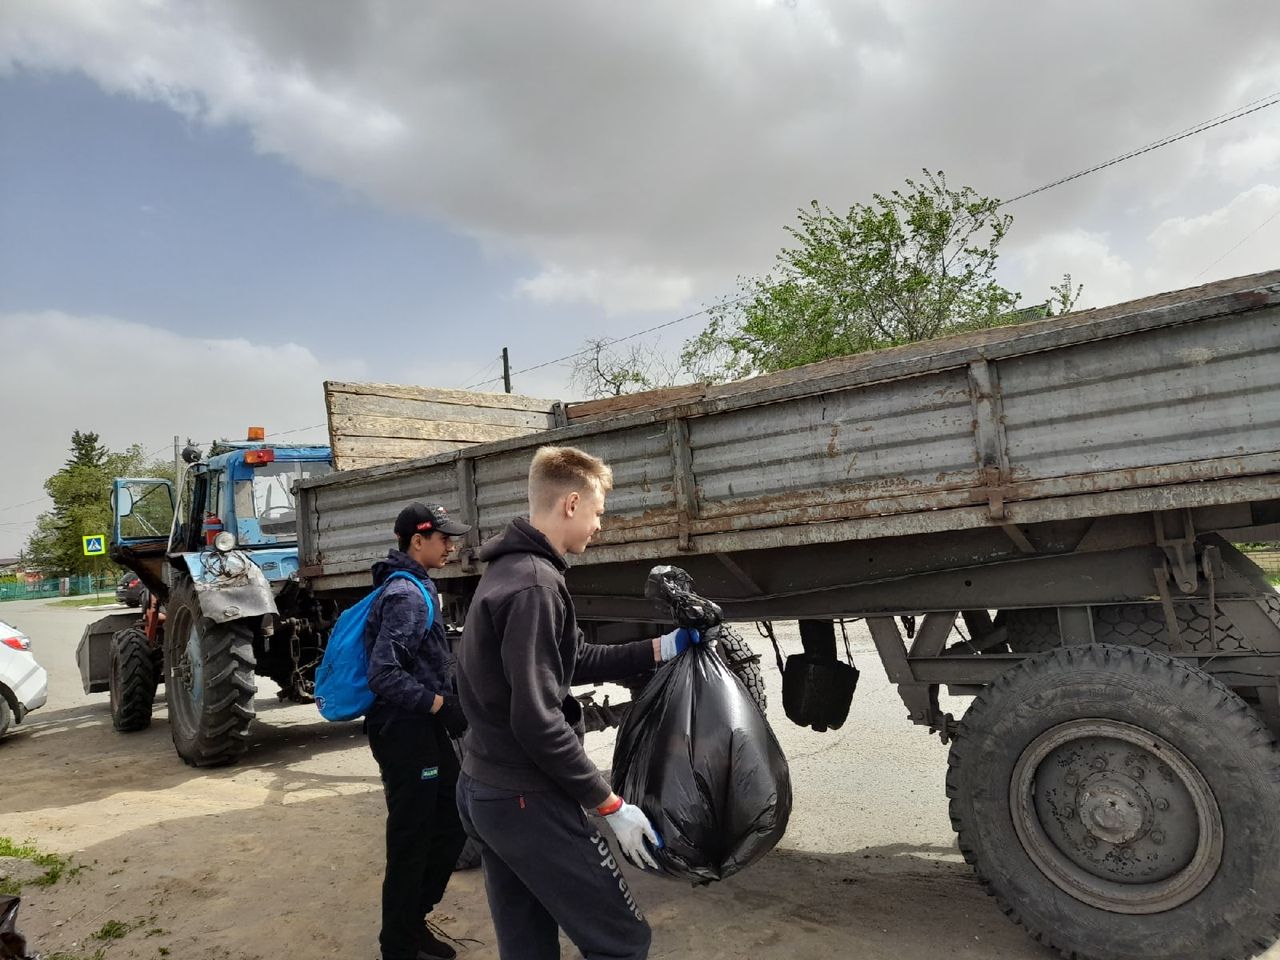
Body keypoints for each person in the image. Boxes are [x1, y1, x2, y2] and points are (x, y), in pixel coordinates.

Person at [455, 445, 701, 960]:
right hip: (525, 799)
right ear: (571, 503)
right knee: (622, 940)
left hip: (488, 789)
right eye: (597, 512)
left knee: (527, 943)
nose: (598, 525)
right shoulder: (534, 586)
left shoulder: (510, 571)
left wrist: (663, 647)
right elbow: (537, 720)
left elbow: (572, 659)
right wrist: (609, 804)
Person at [365, 501, 472, 960]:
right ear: (417, 541)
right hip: (404, 730)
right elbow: (383, 674)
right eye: (443, 539)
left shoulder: (416, 585)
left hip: (419, 726)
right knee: (413, 835)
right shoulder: (405, 596)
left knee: (449, 820)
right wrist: (440, 704)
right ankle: (399, 943)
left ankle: (410, 923)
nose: (451, 547)